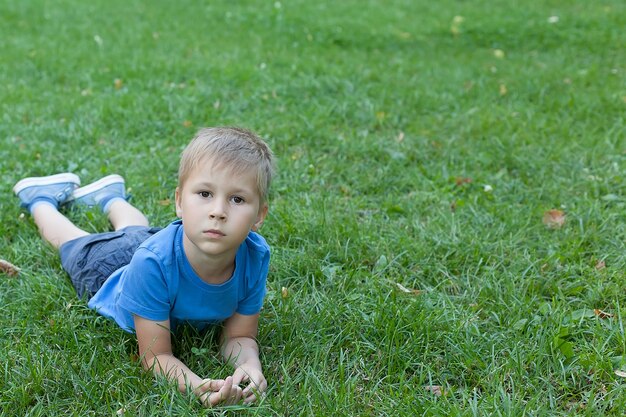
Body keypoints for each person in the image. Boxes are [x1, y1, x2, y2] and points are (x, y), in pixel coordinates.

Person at [13, 127, 274, 407]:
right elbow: (156, 356)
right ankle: (39, 199)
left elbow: (239, 335)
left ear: (259, 215)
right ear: (179, 202)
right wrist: (198, 386)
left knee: (135, 229)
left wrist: (250, 364)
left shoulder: (255, 256)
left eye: (237, 199)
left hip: (153, 241)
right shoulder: (152, 264)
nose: (218, 211)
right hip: (109, 269)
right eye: (205, 193)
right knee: (72, 241)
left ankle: (110, 197)